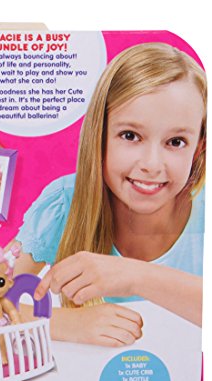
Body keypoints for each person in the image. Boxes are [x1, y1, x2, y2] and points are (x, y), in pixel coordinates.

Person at [12, 43, 206, 347]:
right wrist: (64, 322)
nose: (152, 164)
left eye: (176, 141)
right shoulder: (64, 203)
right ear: (99, 135)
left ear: (199, 147)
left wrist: (135, 277)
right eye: (130, 136)